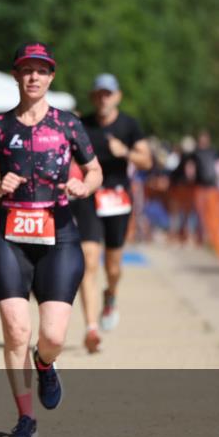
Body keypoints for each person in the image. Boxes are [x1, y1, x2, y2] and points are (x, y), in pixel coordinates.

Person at [0, 42, 101, 437]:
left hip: (59, 234)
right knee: (15, 329)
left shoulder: (69, 125)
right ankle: (25, 416)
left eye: (42, 70)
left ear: (51, 76)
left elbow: (94, 173)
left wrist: (82, 185)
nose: (34, 77)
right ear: (16, 76)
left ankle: (45, 363)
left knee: (53, 336)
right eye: (27, 70)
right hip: (8, 236)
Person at [71, 73, 152, 351]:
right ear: (93, 97)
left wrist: (125, 152)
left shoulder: (129, 125)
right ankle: (91, 327)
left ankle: (111, 294)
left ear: (117, 96)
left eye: (108, 94)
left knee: (113, 266)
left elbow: (146, 160)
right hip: (89, 196)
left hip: (118, 198)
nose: (103, 98)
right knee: (89, 260)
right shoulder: (83, 124)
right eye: (99, 94)